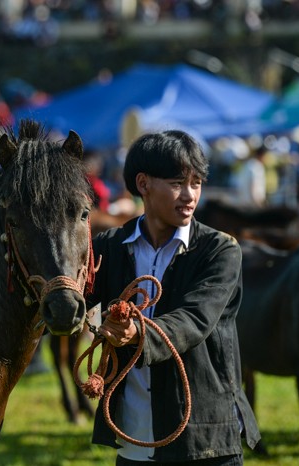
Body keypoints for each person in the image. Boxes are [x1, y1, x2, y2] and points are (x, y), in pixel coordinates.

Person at [88, 130, 260, 465]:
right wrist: (103, 325)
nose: (190, 195)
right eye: (178, 182)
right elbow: (85, 309)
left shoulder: (220, 250)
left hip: (205, 438)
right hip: (134, 437)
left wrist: (137, 332)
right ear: (143, 184)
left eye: (196, 182)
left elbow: (194, 319)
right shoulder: (108, 247)